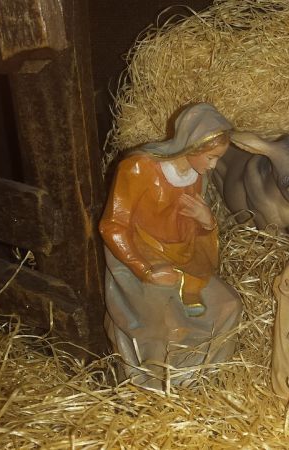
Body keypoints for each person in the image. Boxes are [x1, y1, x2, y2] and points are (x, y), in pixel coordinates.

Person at [99, 103, 242, 389]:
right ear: (192, 145)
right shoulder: (138, 167)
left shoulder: (197, 175)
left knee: (229, 305)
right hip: (140, 257)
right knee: (166, 322)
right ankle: (156, 383)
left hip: (183, 259)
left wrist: (207, 222)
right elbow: (113, 226)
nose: (213, 166)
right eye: (212, 157)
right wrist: (145, 269)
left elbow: (191, 234)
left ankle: (198, 378)